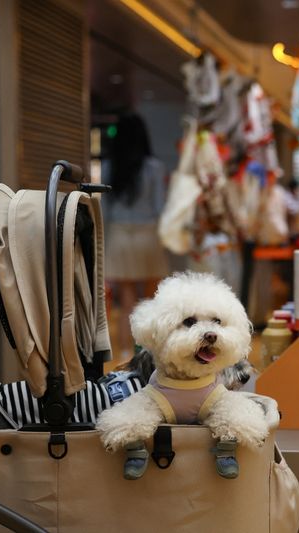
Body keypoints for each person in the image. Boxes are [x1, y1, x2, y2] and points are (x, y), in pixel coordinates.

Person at [103, 113, 169, 360]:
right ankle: (152, 356)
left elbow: (105, 210)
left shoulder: (110, 167)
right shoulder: (154, 167)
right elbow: (160, 208)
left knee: (126, 304)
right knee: (151, 300)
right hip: (147, 236)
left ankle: (124, 355)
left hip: (120, 235)